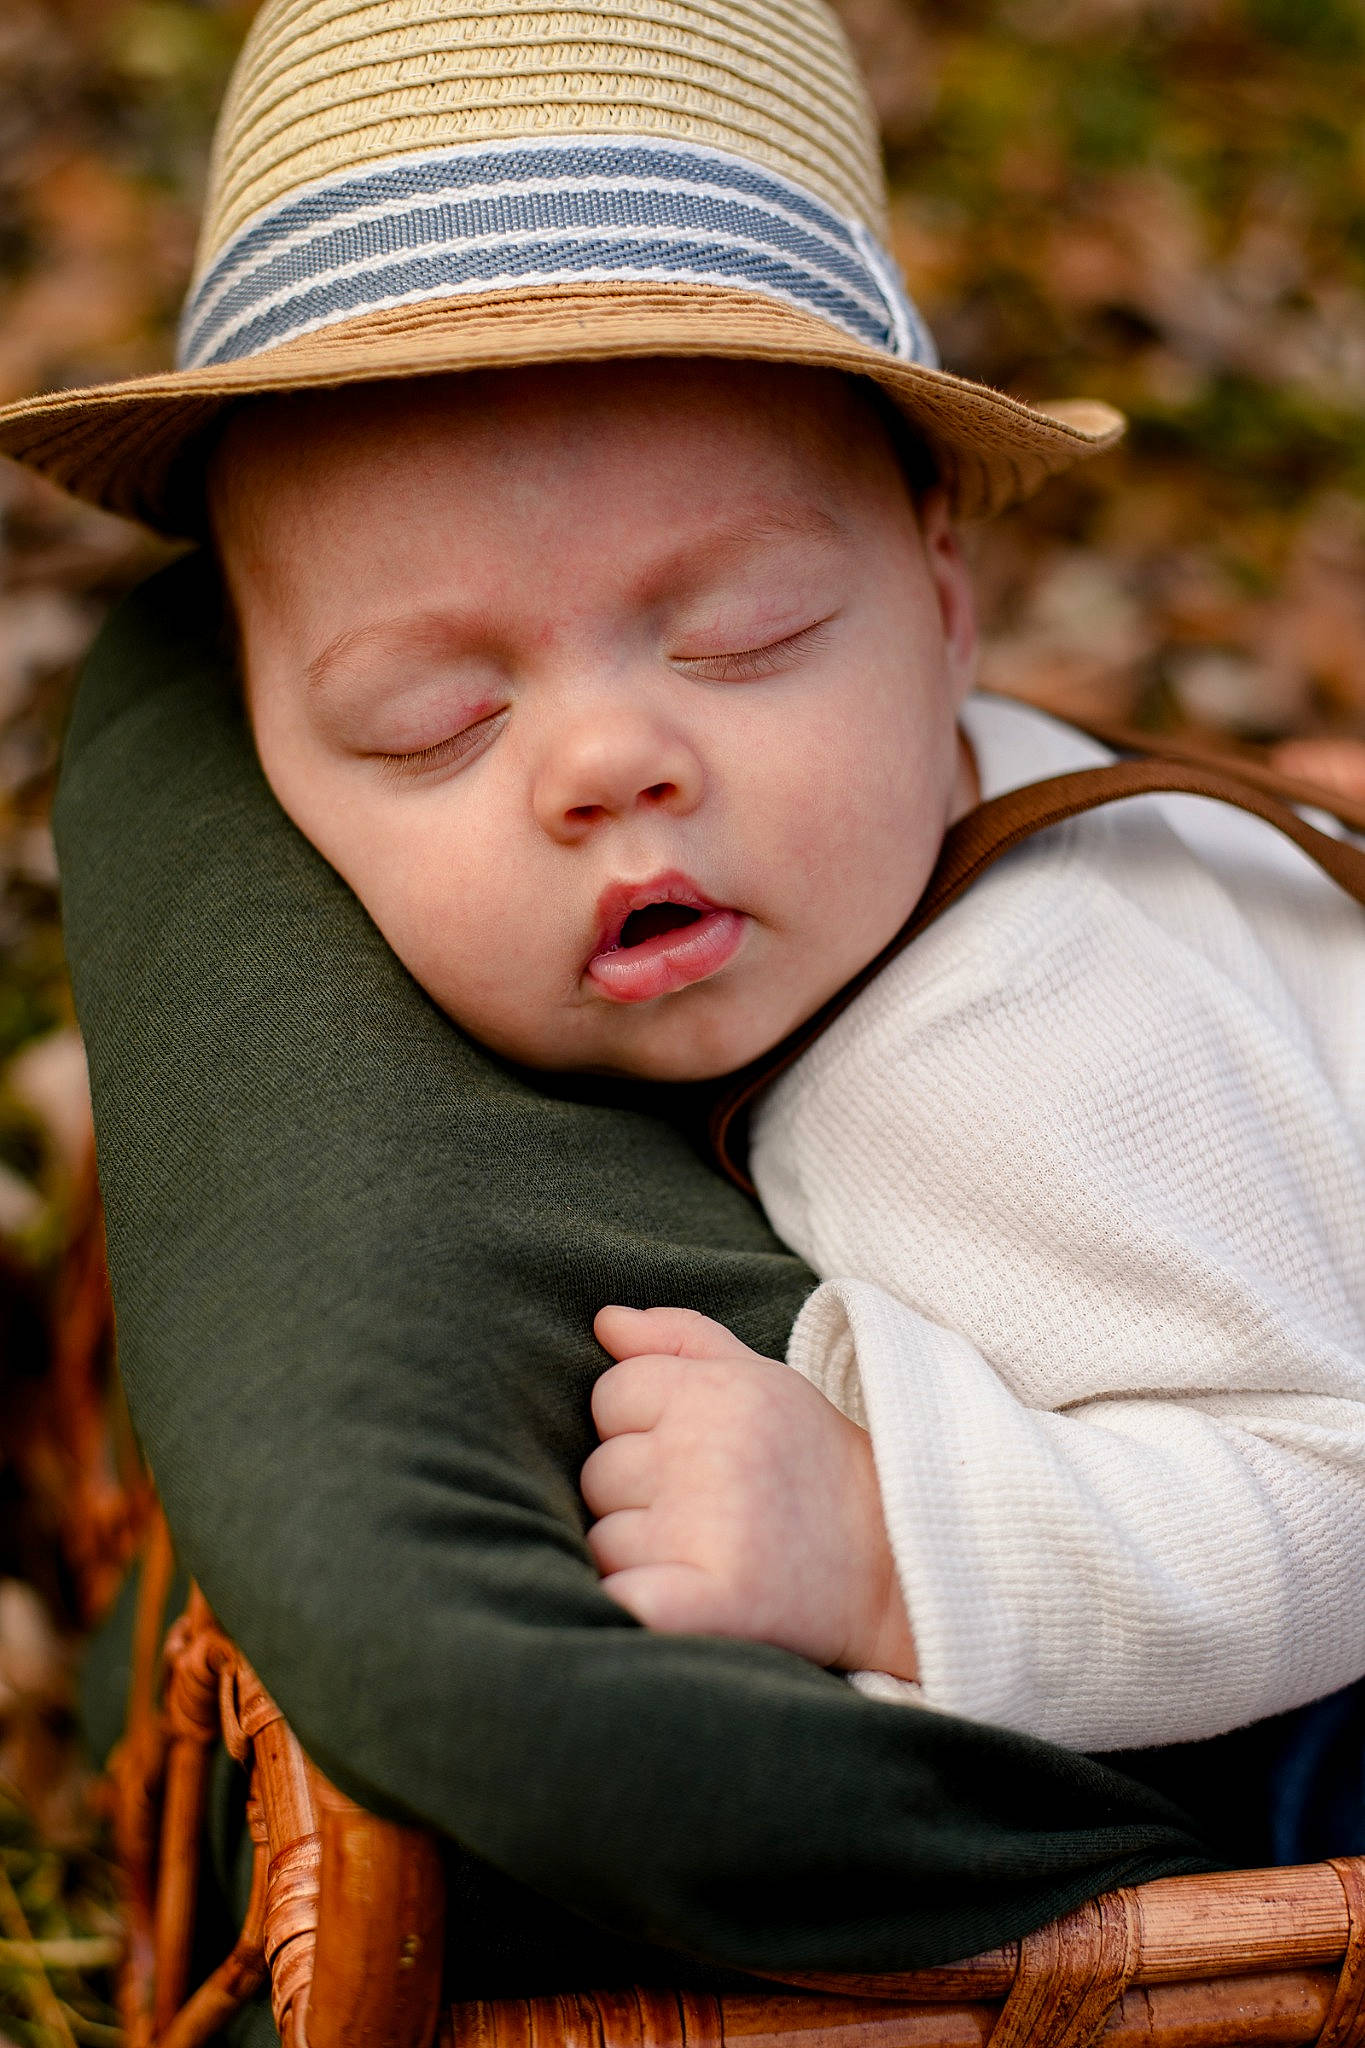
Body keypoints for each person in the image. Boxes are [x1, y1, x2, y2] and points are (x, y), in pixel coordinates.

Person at [7, 0, 1365, 2011]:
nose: (605, 761)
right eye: (428, 720)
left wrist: (891, 1540)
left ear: (940, 602)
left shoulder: (1011, 1056)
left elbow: (1328, 1492)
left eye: (745, 635)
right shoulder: (848, 868)